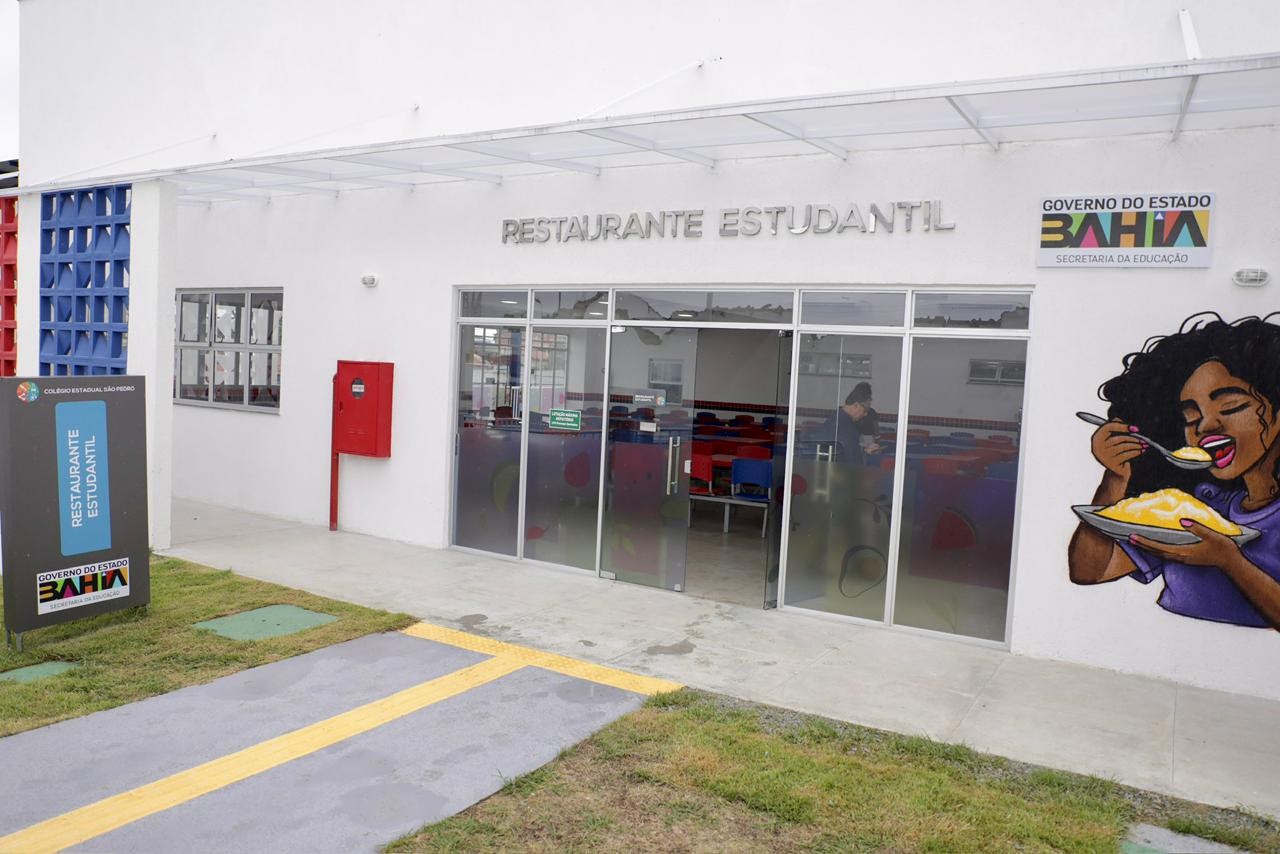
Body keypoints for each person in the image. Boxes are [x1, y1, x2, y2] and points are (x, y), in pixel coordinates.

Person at [1067, 313, 1280, 630]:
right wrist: (1115, 478)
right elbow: (1090, 571)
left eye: (1231, 407)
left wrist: (1229, 560)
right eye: (1191, 418)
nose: (1205, 426)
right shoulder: (1199, 508)